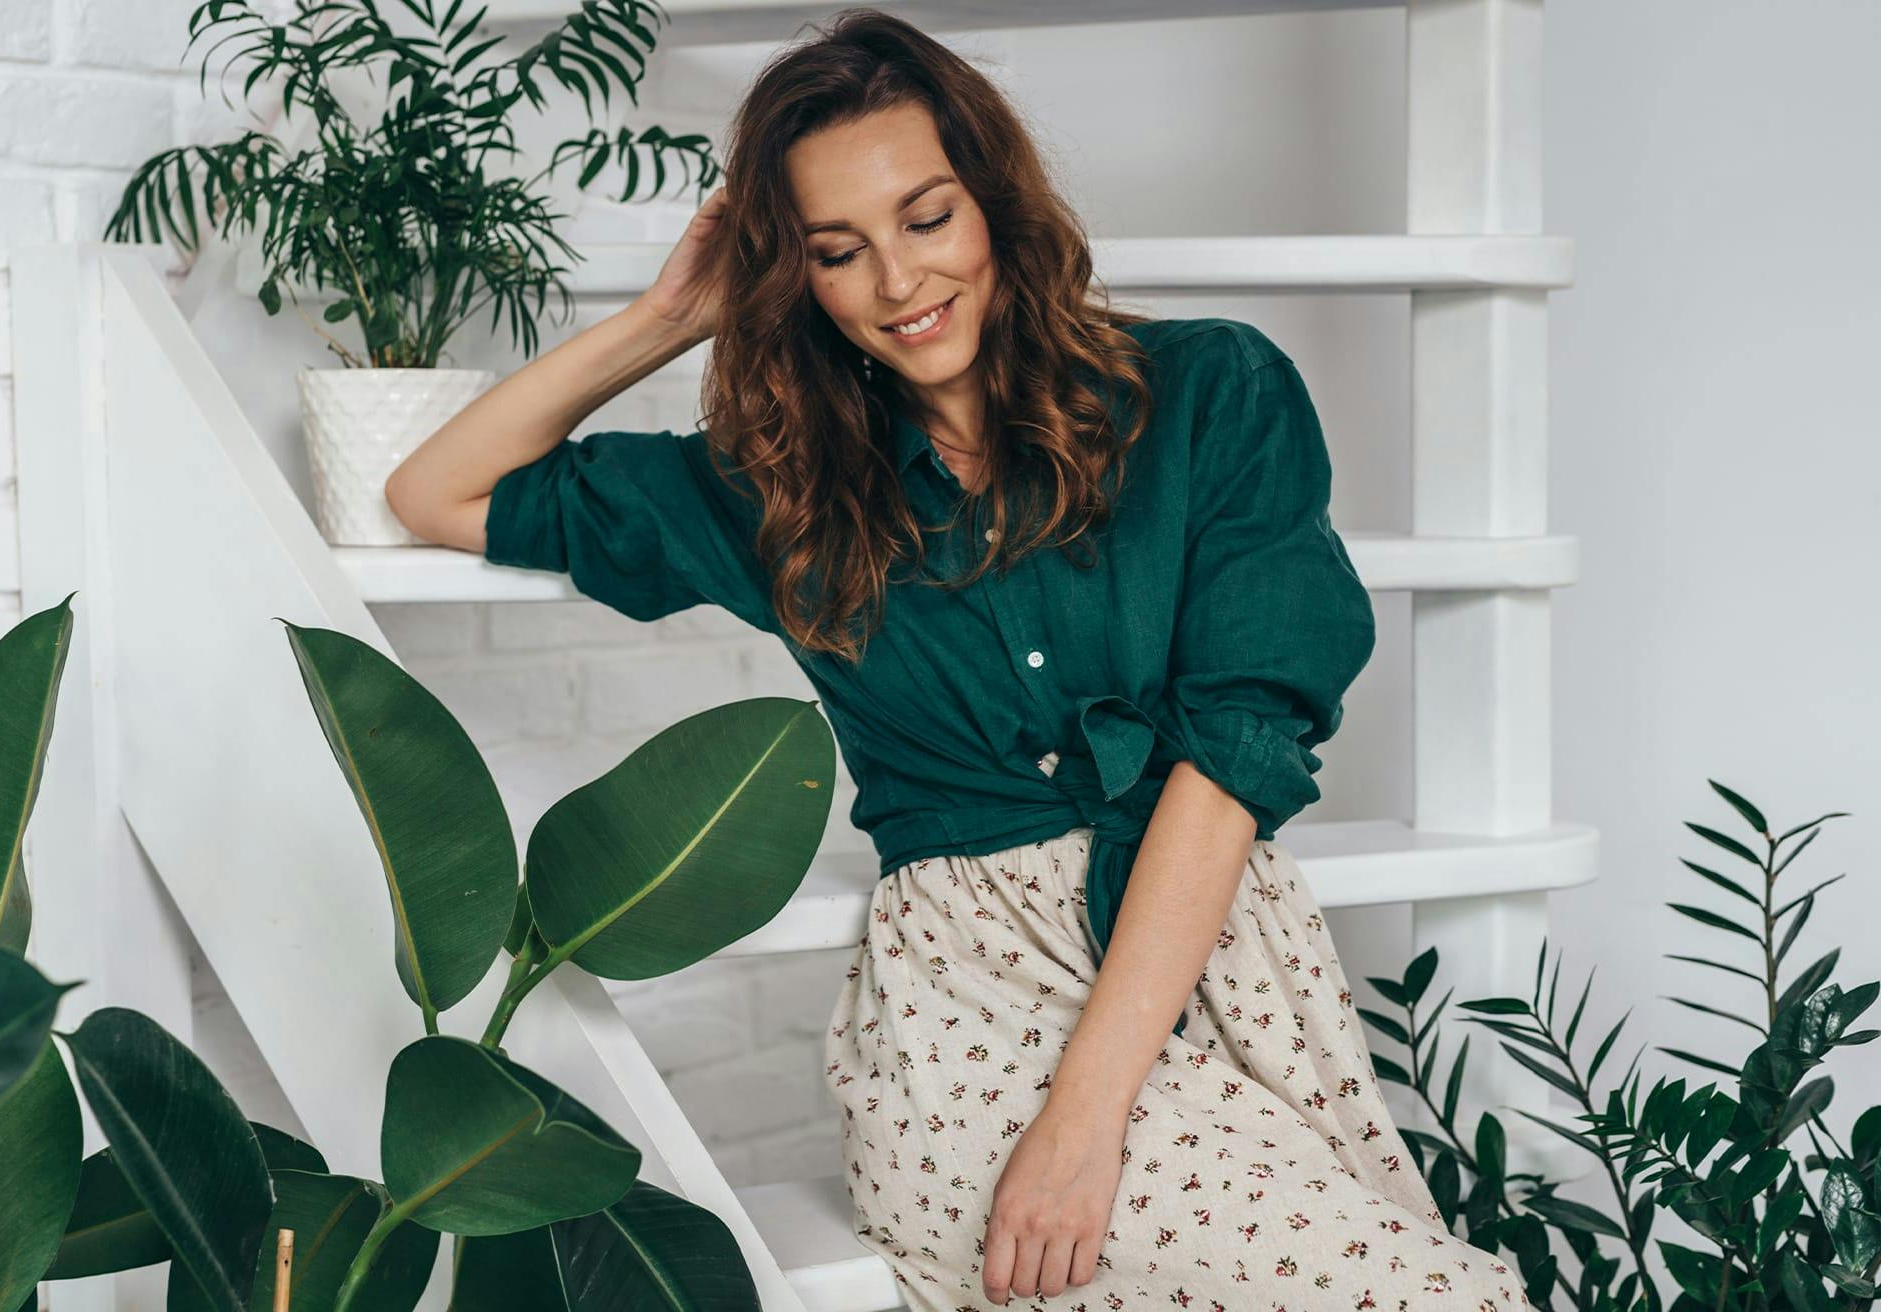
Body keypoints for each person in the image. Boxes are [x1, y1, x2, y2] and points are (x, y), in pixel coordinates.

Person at [386, 9, 1530, 1310]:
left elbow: (1234, 752)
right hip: (970, 1037)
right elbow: (437, 490)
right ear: (797, 275)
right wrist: (669, 317)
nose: (897, 282)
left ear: (994, 201)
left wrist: (1090, 1117)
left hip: (1218, 963)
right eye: (837, 250)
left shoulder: (1212, 394)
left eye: (927, 219)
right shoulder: (783, 494)